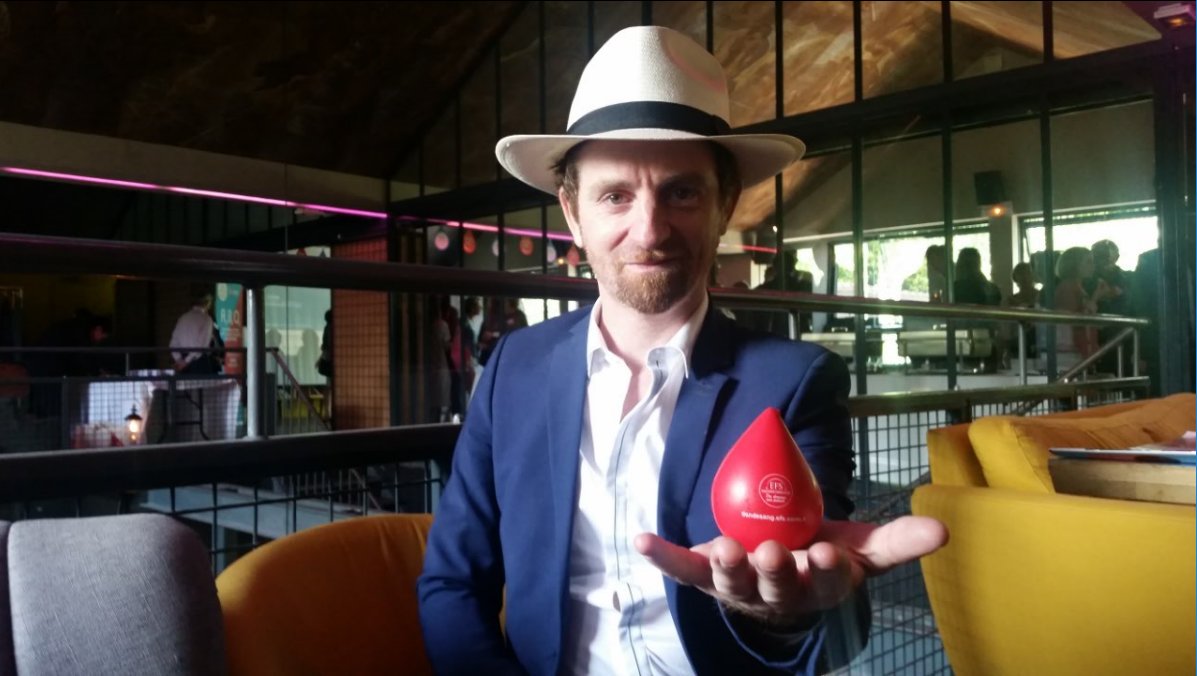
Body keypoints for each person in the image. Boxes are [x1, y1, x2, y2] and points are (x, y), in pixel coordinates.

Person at [417, 26, 947, 675]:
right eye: (615, 195)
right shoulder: (514, 369)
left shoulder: (795, 381)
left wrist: (786, 613)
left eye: (682, 192)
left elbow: (823, 618)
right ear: (573, 212)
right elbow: (452, 582)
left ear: (724, 206)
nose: (649, 230)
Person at [170, 292, 217, 374]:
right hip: (199, 362)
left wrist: (179, 360)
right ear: (207, 303)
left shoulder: (183, 318)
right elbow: (201, 345)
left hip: (182, 362)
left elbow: (173, 343)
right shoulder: (206, 319)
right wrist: (186, 361)